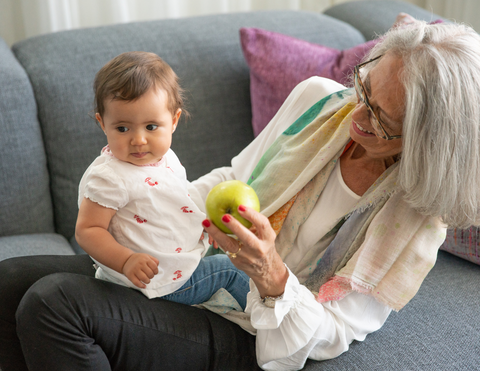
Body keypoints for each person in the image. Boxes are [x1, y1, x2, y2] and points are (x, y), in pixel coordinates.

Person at [1, 20, 480, 371]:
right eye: (365, 89)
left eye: (380, 121)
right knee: (10, 280)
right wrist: (163, 215)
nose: (356, 115)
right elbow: (237, 176)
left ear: (425, 146)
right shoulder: (320, 99)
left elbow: (334, 335)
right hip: (199, 266)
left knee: (54, 304)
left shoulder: (413, 221)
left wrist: (271, 273)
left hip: (249, 328)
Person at [73, 51, 250, 308]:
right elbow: (88, 231)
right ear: (103, 123)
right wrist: (126, 260)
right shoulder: (111, 177)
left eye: (151, 127)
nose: (139, 140)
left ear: (174, 120)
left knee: (240, 250)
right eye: (122, 128)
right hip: (154, 281)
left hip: (172, 260)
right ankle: (273, 331)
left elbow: (176, 200)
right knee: (231, 271)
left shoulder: (164, 157)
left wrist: (206, 226)